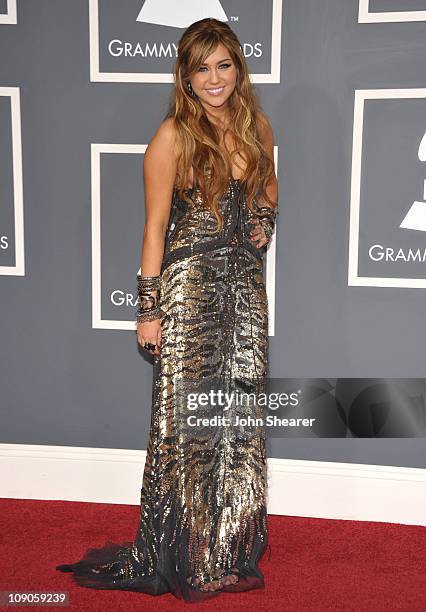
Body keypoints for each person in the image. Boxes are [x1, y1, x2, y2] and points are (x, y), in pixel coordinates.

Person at [56, 17, 278, 602]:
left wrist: (262, 222)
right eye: (201, 67)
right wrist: (148, 311)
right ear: (184, 74)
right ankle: (186, 553)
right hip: (189, 290)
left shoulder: (256, 127)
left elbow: (269, 192)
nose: (214, 79)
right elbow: (153, 231)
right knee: (188, 429)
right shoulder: (172, 137)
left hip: (243, 292)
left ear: (238, 68)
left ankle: (226, 546)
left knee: (235, 423)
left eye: (223, 65)